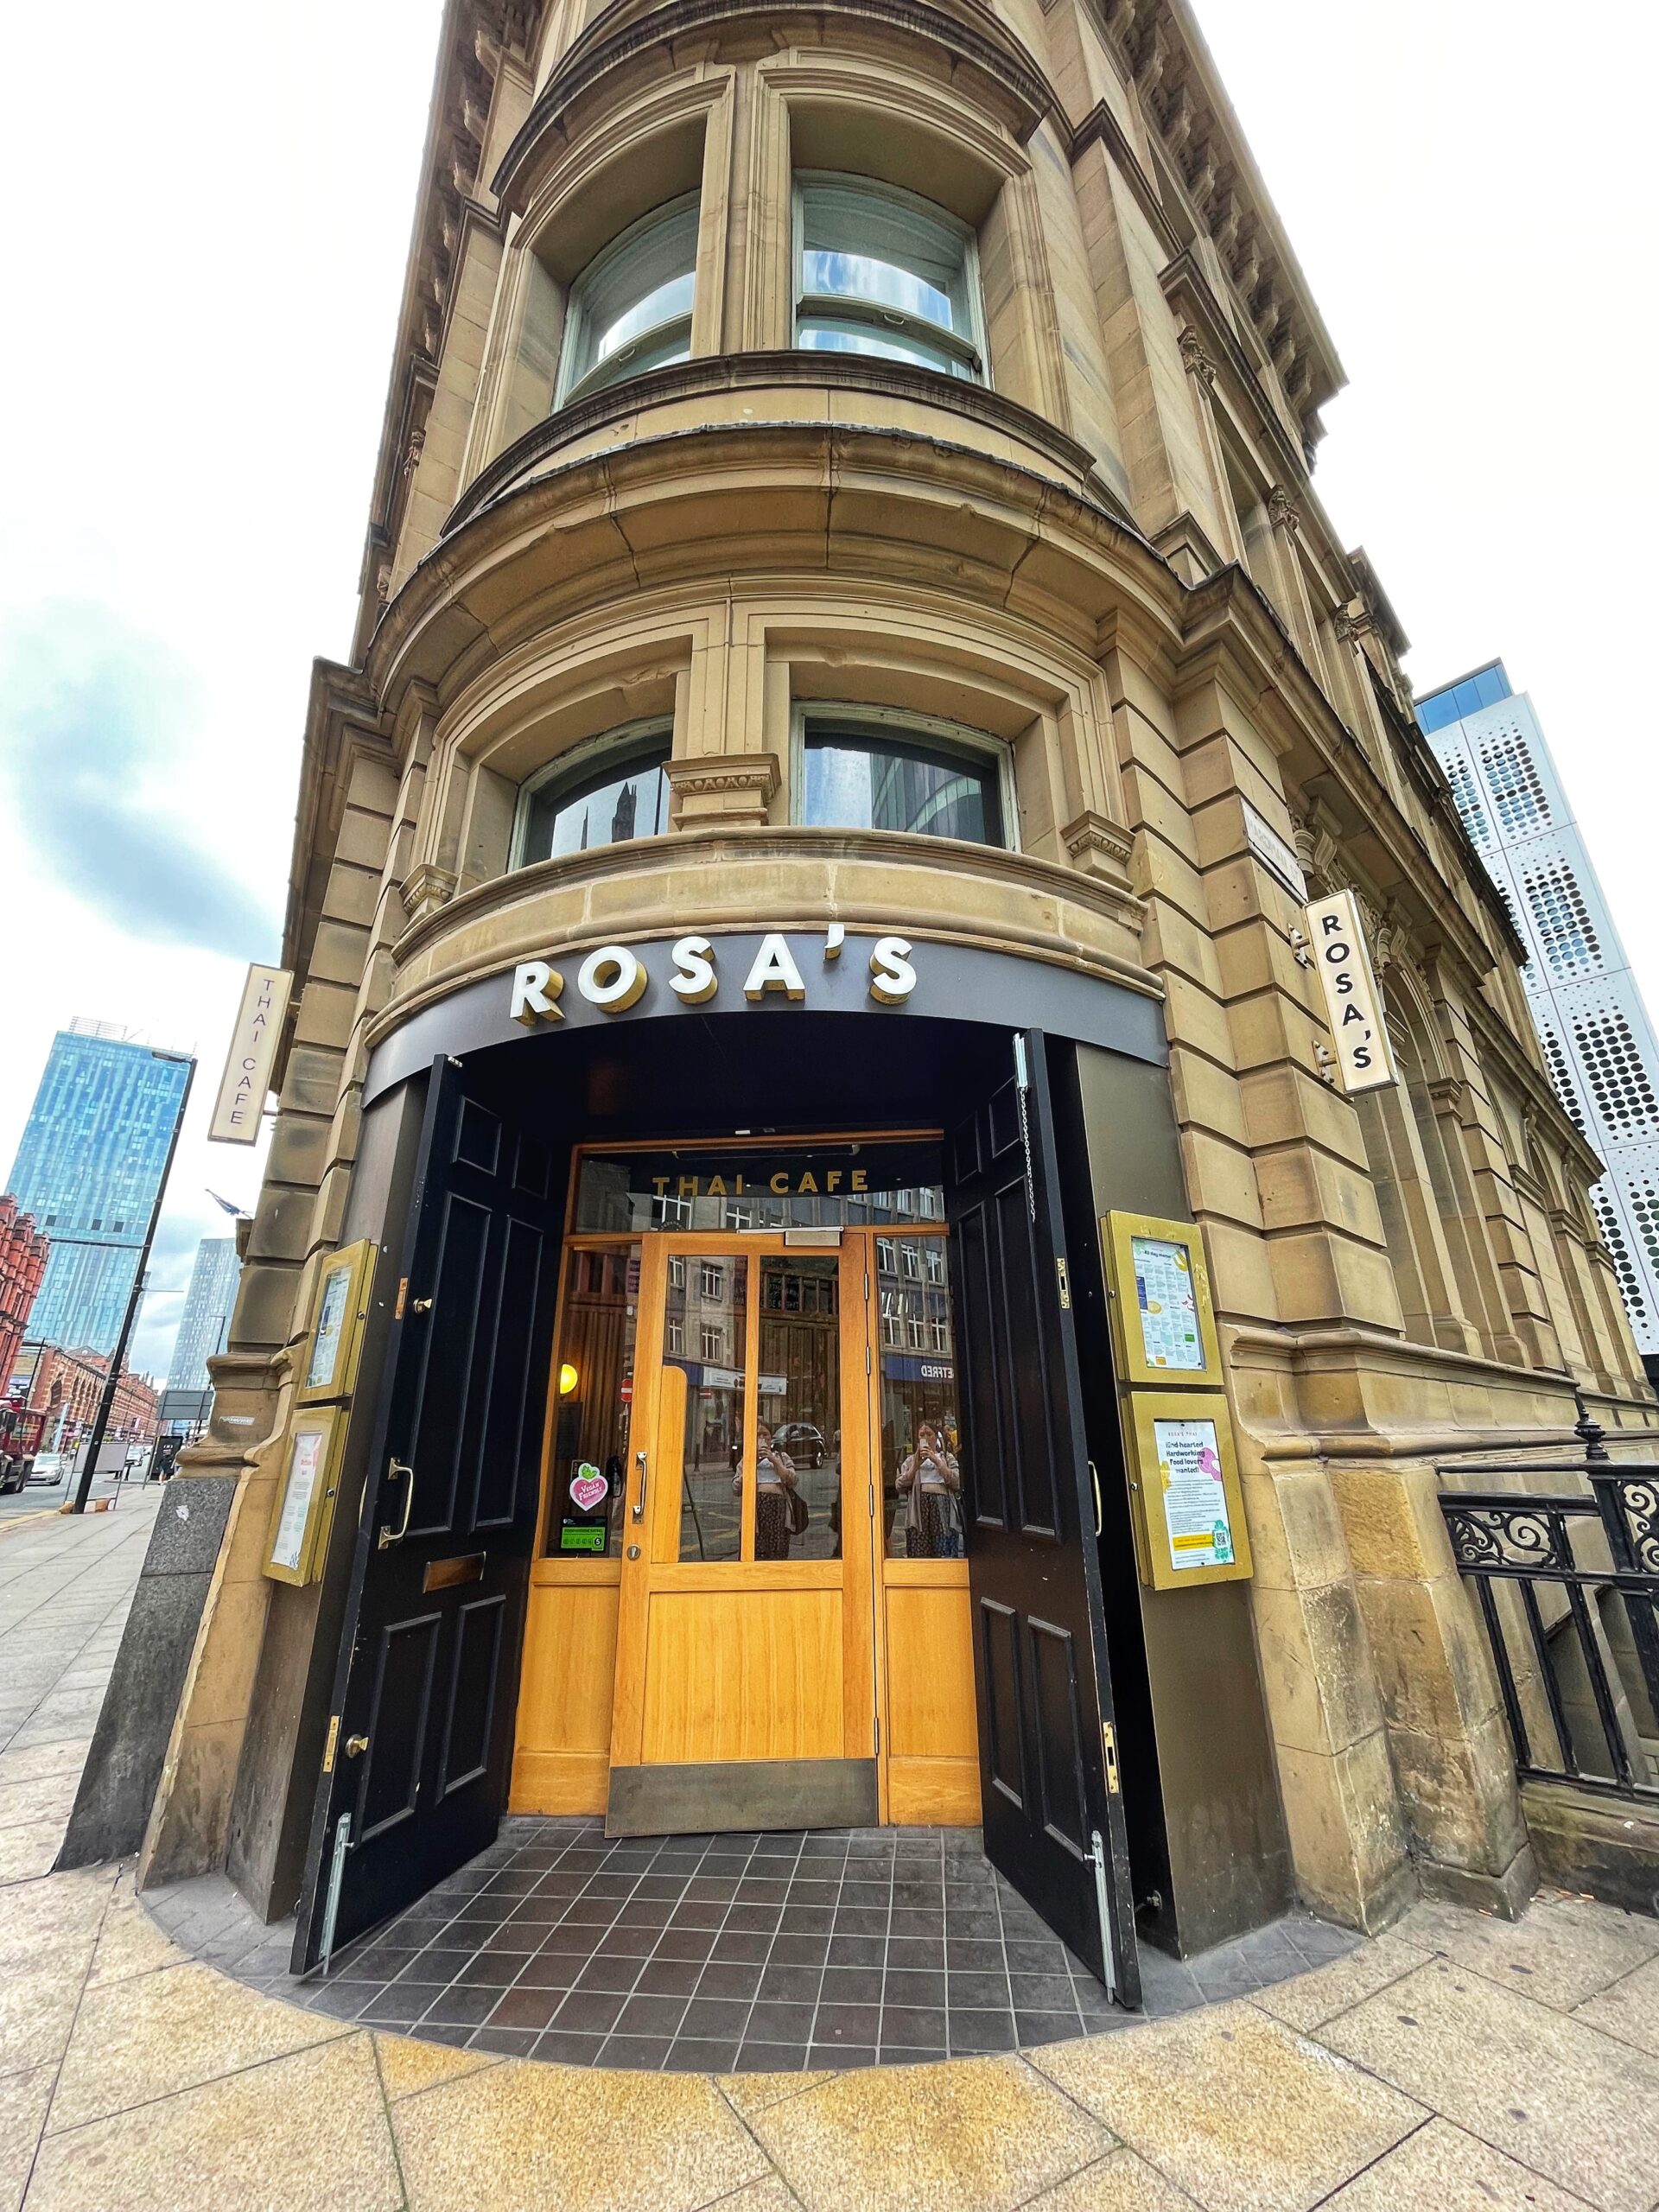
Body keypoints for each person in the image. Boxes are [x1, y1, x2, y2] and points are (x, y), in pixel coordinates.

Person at [896, 1420, 963, 1557]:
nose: (926, 1438)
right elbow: (899, 1486)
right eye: (922, 1435)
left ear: (936, 1436)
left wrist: (937, 1461)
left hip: (942, 1508)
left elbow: (956, 1482)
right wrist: (915, 1466)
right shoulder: (911, 1461)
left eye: (929, 1434)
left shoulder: (946, 1457)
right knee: (921, 1552)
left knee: (943, 1550)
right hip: (919, 1510)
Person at [734, 1421, 800, 1559]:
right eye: (758, 1435)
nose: (762, 1438)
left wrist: (774, 1460)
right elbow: (736, 1488)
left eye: (765, 1434)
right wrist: (752, 1464)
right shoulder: (746, 1460)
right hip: (755, 1512)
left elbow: (793, 1481)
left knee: (777, 1552)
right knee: (755, 1552)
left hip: (778, 1513)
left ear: (771, 1438)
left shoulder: (782, 1457)